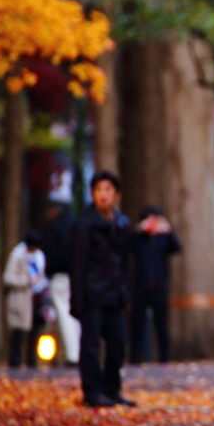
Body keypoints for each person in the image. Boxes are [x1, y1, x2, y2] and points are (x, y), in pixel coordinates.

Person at [70, 171, 134, 408]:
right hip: (92, 294)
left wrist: (126, 292)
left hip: (115, 294)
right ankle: (92, 391)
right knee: (91, 345)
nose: (103, 195)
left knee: (118, 344)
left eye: (108, 190)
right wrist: (77, 298)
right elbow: (77, 262)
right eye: (99, 190)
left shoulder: (121, 223)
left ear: (116, 195)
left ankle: (112, 388)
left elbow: (125, 261)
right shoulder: (85, 224)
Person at [130, 205, 181, 364]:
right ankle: (134, 359)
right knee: (137, 325)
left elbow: (177, 248)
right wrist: (139, 230)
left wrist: (168, 230)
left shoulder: (164, 238)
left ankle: (164, 358)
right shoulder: (139, 239)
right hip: (140, 286)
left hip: (159, 286)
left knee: (162, 326)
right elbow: (126, 246)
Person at [41, 196, 79, 366]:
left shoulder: (52, 227)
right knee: (77, 313)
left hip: (60, 275)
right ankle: (78, 352)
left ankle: (73, 355)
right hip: (78, 275)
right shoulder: (77, 225)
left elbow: (48, 252)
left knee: (64, 313)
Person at [4, 231, 48, 369]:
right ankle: (15, 363)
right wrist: (26, 281)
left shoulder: (39, 256)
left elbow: (41, 275)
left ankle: (31, 362)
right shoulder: (18, 256)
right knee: (18, 332)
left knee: (34, 331)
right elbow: (8, 278)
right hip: (20, 298)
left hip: (35, 299)